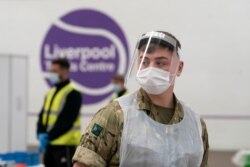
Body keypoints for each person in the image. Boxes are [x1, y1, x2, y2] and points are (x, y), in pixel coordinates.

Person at [72, 31, 209, 167]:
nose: (150, 69)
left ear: (179, 68)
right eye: (144, 61)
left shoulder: (195, 125)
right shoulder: (116, 115)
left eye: (160, 63)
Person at [37, 58, 82, 167]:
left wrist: (48, 136)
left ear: (65, 71)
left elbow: (66, 121)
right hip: (50, 145)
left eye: (55, 71)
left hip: (65, 146)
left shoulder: (73, 93)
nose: (52, 74)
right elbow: (43, 115)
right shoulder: (50, 92)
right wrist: (40, 132)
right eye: (51, 71)